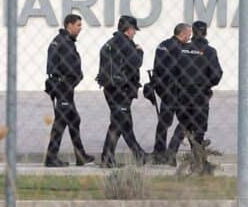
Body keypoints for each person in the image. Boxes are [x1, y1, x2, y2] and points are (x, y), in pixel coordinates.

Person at [166, 21, 223, 167]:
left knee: (184, 124)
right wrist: (206, 83)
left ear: (193, 33)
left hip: (183, 93)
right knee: (199, 127)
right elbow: (217, 74)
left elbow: (172, 71)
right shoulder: (209, 51)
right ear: (205, 33)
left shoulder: (182, 49)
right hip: (200, 94)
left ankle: (171, 155)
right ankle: (198, 160)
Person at [96, 15, 147, 168]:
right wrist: (140, 51)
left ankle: (139, 154)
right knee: (118, 123)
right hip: (122, 89)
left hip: (109, 87)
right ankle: (107, 158)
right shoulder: (127, 44)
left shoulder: (110, 42)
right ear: (129, 29)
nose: (135, 33)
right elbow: (136, 63)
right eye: (134, 30)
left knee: (125, 122)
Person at [44, 14, 94, 167]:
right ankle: (51, 158)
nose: (80, 28)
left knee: (74, 120)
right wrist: (75, 77)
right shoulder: (64, 43)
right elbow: (67, 67)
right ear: (69, 25)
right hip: (63, 88)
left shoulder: (63, 41)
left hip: (65, 88)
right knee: (61, 122)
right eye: (78, 25)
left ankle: (81, 156)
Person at [147, 23, 190, 165]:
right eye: (188, 34)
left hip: (165, 90)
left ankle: (159, 152)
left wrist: (156, 85)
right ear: (183, 34)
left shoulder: (163, 45)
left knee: (164, 122)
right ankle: (171, 152)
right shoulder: (182, 49)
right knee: (186, 121)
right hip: (178, 91)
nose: (190, 37)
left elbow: (157, 68)